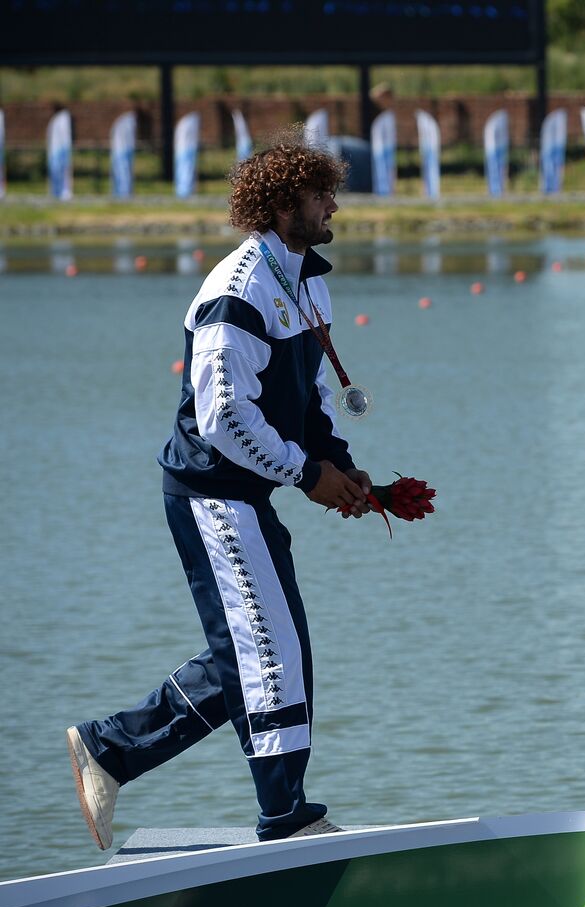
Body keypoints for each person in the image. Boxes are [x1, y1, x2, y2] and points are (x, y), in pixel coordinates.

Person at [65, 140, 372, 848]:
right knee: (270, 649)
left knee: (251, 653)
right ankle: (286, 818)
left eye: (332, 191)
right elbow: (223, 417)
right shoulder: (238, 289)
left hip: (246, 495)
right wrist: (304, 474)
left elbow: (314, 401)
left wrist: (344, 468)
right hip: (208, 493)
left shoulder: (308, 281)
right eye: (320, 193)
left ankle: (109, 749)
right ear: (280, 205)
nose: (334, 205)